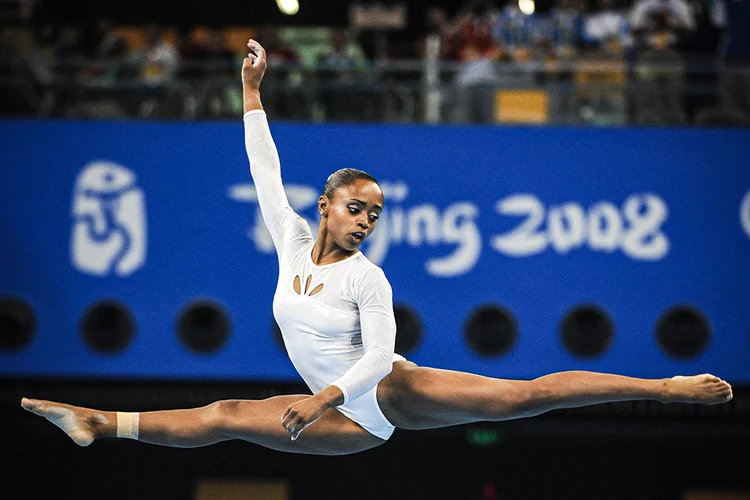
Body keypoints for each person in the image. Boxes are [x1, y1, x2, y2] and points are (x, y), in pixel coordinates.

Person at [22, 39, 734, 456]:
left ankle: (663, 386)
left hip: (384, 392)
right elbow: (263, 168)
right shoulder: (293, 242)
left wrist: (325, 395)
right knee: (224, 415)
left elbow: (373, 357)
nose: (366, 220)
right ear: (326, 205)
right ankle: (98, 420)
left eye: (376, 213)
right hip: (341, 418)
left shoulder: (369, 278)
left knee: (522, 397)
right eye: (357, 207)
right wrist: (249, 88)